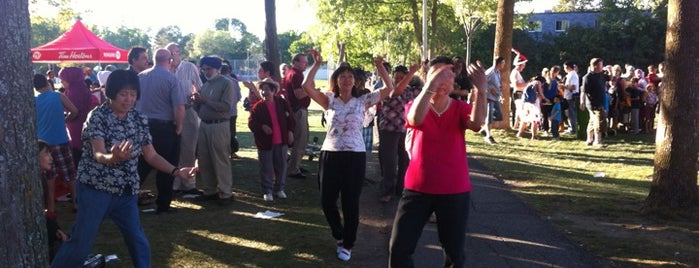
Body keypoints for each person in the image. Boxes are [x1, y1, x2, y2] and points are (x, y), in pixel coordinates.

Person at [50, 70, 197, 268]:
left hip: (126, 192)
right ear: (111, 93)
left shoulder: (138, 118)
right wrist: (114, 157)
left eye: (133, 94)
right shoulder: (98, 116)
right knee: (81, 241)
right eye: (123, 94)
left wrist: (175, 171)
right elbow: (98, 154)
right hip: (96, 190)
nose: (129, 99)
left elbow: (151, 155)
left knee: (137, 239)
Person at [388, 56, 487, 268]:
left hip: (454, 190)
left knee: (454, 254)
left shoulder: (459, 108)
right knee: (399, 249)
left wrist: (482, 90)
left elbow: (477, 124)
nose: (442, 80)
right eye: (437, 75)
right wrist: (431, 85)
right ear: (425, 78)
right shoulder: (414, 105)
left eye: (447, 76)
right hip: (417, 189)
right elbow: (415, 120)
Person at [302, 49, 394, 261]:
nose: (346, 79)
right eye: (342, 76)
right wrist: (316, 64)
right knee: (327, 201)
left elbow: (390, 88)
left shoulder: (363, 100)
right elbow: (306, 87)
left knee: (350, 202)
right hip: (330, 154)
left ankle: (348, 243)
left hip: (355, 156)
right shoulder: (329, 100)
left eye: (350, 76)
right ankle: (339, 235)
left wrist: (380, 68)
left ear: (355, 81)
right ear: (336, 80)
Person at [135, 48, 185, 214]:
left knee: (141, 166)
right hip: (164, 127)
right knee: (166, 168)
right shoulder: (171, 78)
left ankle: (124, 199)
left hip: (142, 126)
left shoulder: (140, 77)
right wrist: (179, 126)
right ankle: (163, 205)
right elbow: (179, 107)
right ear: (169, 60)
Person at [192, 56, 236, 206]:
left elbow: (225, 107)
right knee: (204, 160)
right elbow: (200, 107)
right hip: (204, 125)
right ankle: (209, 191)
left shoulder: (226, 84)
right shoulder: (205, 85)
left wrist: (205, 101)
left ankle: (226, 193)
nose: (206, 72)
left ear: (217, 69)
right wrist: (195, 102)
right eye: (203, 69)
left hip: (219, 126)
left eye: (209, 69)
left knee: (220, 159)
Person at [34, 73, 79, 216]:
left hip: (43, 144)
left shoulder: (33, 101)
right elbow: (75, 111)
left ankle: (51, 208)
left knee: (49, 178)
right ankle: (76, 203)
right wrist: (65, 119)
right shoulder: (58, 96)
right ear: (48, 83)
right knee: (70, 174)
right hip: (60, 139)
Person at [166, 42, 205, 196]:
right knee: (171, 149)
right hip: (169, 114)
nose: (170, 57)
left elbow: (200, 87)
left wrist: (195, 97)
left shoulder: (189, 68)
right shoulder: (165, 69)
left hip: (188, 112)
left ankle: (188, 184)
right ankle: (174, 184)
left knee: (188, 149)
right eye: (168, 54)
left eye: (173, 53)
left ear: (178, 53)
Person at [248, 78, 295, 201]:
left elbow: (290, 118)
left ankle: (279, 188)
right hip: (265, 143)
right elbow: (251, 123)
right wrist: (262, 127)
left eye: (267, 89)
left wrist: (290, 131)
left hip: (281, 141)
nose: (264, 92)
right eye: (262, 90)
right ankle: (267, 191)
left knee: (281, 165)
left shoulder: (282, 103)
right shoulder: (258, 107)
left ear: (274, 91)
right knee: (266, 167)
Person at [378, 64, 419, 203]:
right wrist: (379, 65)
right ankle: (386, 191)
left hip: (405, 130)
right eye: (397, 77)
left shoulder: (411, 91)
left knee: (405, 161)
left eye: (403, 77)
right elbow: (394, 90)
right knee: (389, 162)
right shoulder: (388, 89)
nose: (400, 80)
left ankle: (402, 189)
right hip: (388, 130)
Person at [38, 140, 69, 262]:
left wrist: (55, 227)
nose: (51, 158)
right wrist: (54, 229)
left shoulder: (41, 178)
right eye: (46, 154)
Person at [283, 53, 311, 179]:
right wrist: (311, 89)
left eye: (306, 62)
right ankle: (293, 169)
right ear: (295, 62)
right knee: (300, 140)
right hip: (298, 110)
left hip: (294, 110)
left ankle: (295, 166)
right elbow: (299, 94)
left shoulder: (290, 73)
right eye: (303, 62)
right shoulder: (296, 75)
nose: (305, 64)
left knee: (298, 140)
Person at [59, 67, 93, 168]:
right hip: (83, 123)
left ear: (70, 79)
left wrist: (63, 121)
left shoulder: (74, 91)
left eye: (62, 79)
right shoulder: (81, 87)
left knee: (77, 152)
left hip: (77, 126)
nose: (61, 82)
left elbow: (75, 112)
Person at [580, 58, 608, 147]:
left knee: (592, 121)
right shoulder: (587, 77)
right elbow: (583, 91)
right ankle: (597, 141)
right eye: (601, 65)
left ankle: (589, 139)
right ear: (595, 66)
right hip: (593, 103)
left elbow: (610, 78)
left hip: (601, 101)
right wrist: (582, 102)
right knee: (599, 121)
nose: (602, 67)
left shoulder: (601, 75)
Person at [482, 56, 505, 144]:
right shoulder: (490, 72)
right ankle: (488, 136)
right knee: (489, 116)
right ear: (499, 63)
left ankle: (484, 129)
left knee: (498, 115)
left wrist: (501, 96)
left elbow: (498, 86)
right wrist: (490, 88)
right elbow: (482, 82)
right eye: (503, 63)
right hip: (488, 98)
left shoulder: (497, 72)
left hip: (495, 97)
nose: (504, 65)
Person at [221, 64, 243, 159]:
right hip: (233, 111)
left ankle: (223, 151)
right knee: (232, 132)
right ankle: (232, 151)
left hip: (221, 113)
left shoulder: (219, 81)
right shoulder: (234, 81)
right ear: (229, 71)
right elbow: (239, 96)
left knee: (222, 133)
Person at [510, 51, 528, 129]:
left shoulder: (517, 73)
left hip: (520, 93)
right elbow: (516, 85)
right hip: (517, 93)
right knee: (518, 110)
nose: (524, 67)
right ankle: (517, 125)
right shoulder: (515, 73)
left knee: (519, 110)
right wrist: (528, 83)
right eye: (523, 65)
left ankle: (516, 125)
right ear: (520, 65)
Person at [563, 61, 579, 134]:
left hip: (571, 96)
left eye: (565, 67)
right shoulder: (569, 74)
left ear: (568, 67)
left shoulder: (573, 74)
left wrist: (563, 86)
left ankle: (573, 129)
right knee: (569, 113)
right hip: (567, 96)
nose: (564, 69)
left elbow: (573, 87)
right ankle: (571, 127)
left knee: (571, 113)